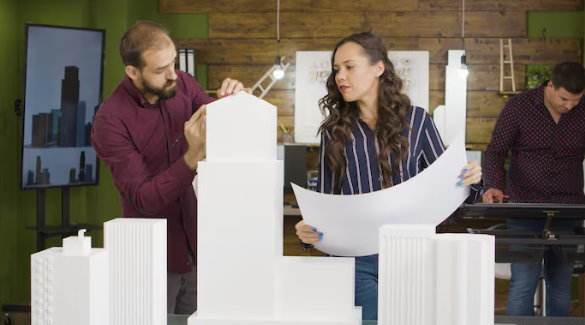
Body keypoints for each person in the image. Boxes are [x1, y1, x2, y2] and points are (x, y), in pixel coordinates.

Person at [294, 32, 484, 320]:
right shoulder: (334, 131)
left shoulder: (418, 120)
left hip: (413, 254)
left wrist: (471, 179)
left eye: (349, 66)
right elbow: (325, 201)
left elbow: (449, 188)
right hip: (353, 259)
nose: (340, 77)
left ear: (378, 68)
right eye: (336, 69)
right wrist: (309, 233)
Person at [91, 21, 250, 315]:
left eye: (173, 63)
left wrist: (234, 103)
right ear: (132, 72)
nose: (172, 75)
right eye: (160, 69)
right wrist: (192, 157)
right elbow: (144, 197)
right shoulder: (110, 122)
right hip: (153, 261)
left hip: (198, 248)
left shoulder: (184, 84)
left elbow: (221, 125)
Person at [483, 61, 585, 317]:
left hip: (568, 209)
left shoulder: (582, 111)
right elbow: (496, 151)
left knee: (560, 286)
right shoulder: (519, 106)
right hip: (525, 209)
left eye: (576, 100)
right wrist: (493, 184)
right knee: (523, 284)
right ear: (550, 86)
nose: (569, 106)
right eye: (564, 99)